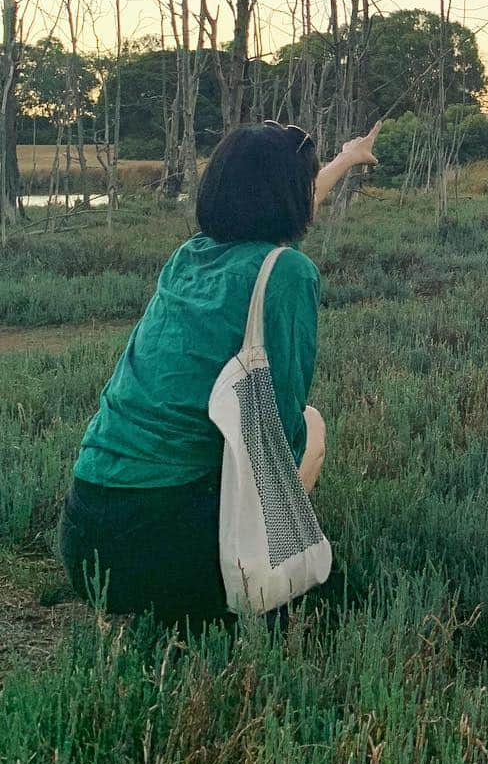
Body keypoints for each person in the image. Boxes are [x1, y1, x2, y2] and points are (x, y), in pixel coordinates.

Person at [57, 119, 381, 629]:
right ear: (291, 196)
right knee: (311, 428)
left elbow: (275, 208)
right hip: (159, 555)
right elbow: (279, 433)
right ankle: (257, 586)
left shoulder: (188, 257)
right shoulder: (288, 274)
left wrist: (344, 158)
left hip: (86, 540)